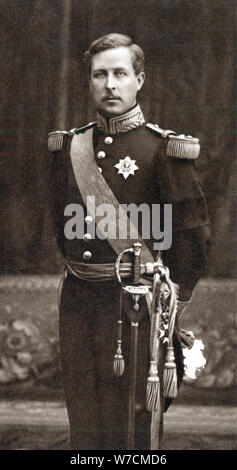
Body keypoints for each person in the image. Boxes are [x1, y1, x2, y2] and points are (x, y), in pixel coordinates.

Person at [48, 33, 210, 450]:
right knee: (84, 415)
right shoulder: (69, 147)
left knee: (131, 420)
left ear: (139, 80)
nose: (110, 84)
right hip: (78, 300)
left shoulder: (163, 150)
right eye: (100, 75)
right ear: (89, 82)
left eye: (120, 73)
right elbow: (59, 221)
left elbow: (192, 235)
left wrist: (173, 299)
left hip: (136, 302)